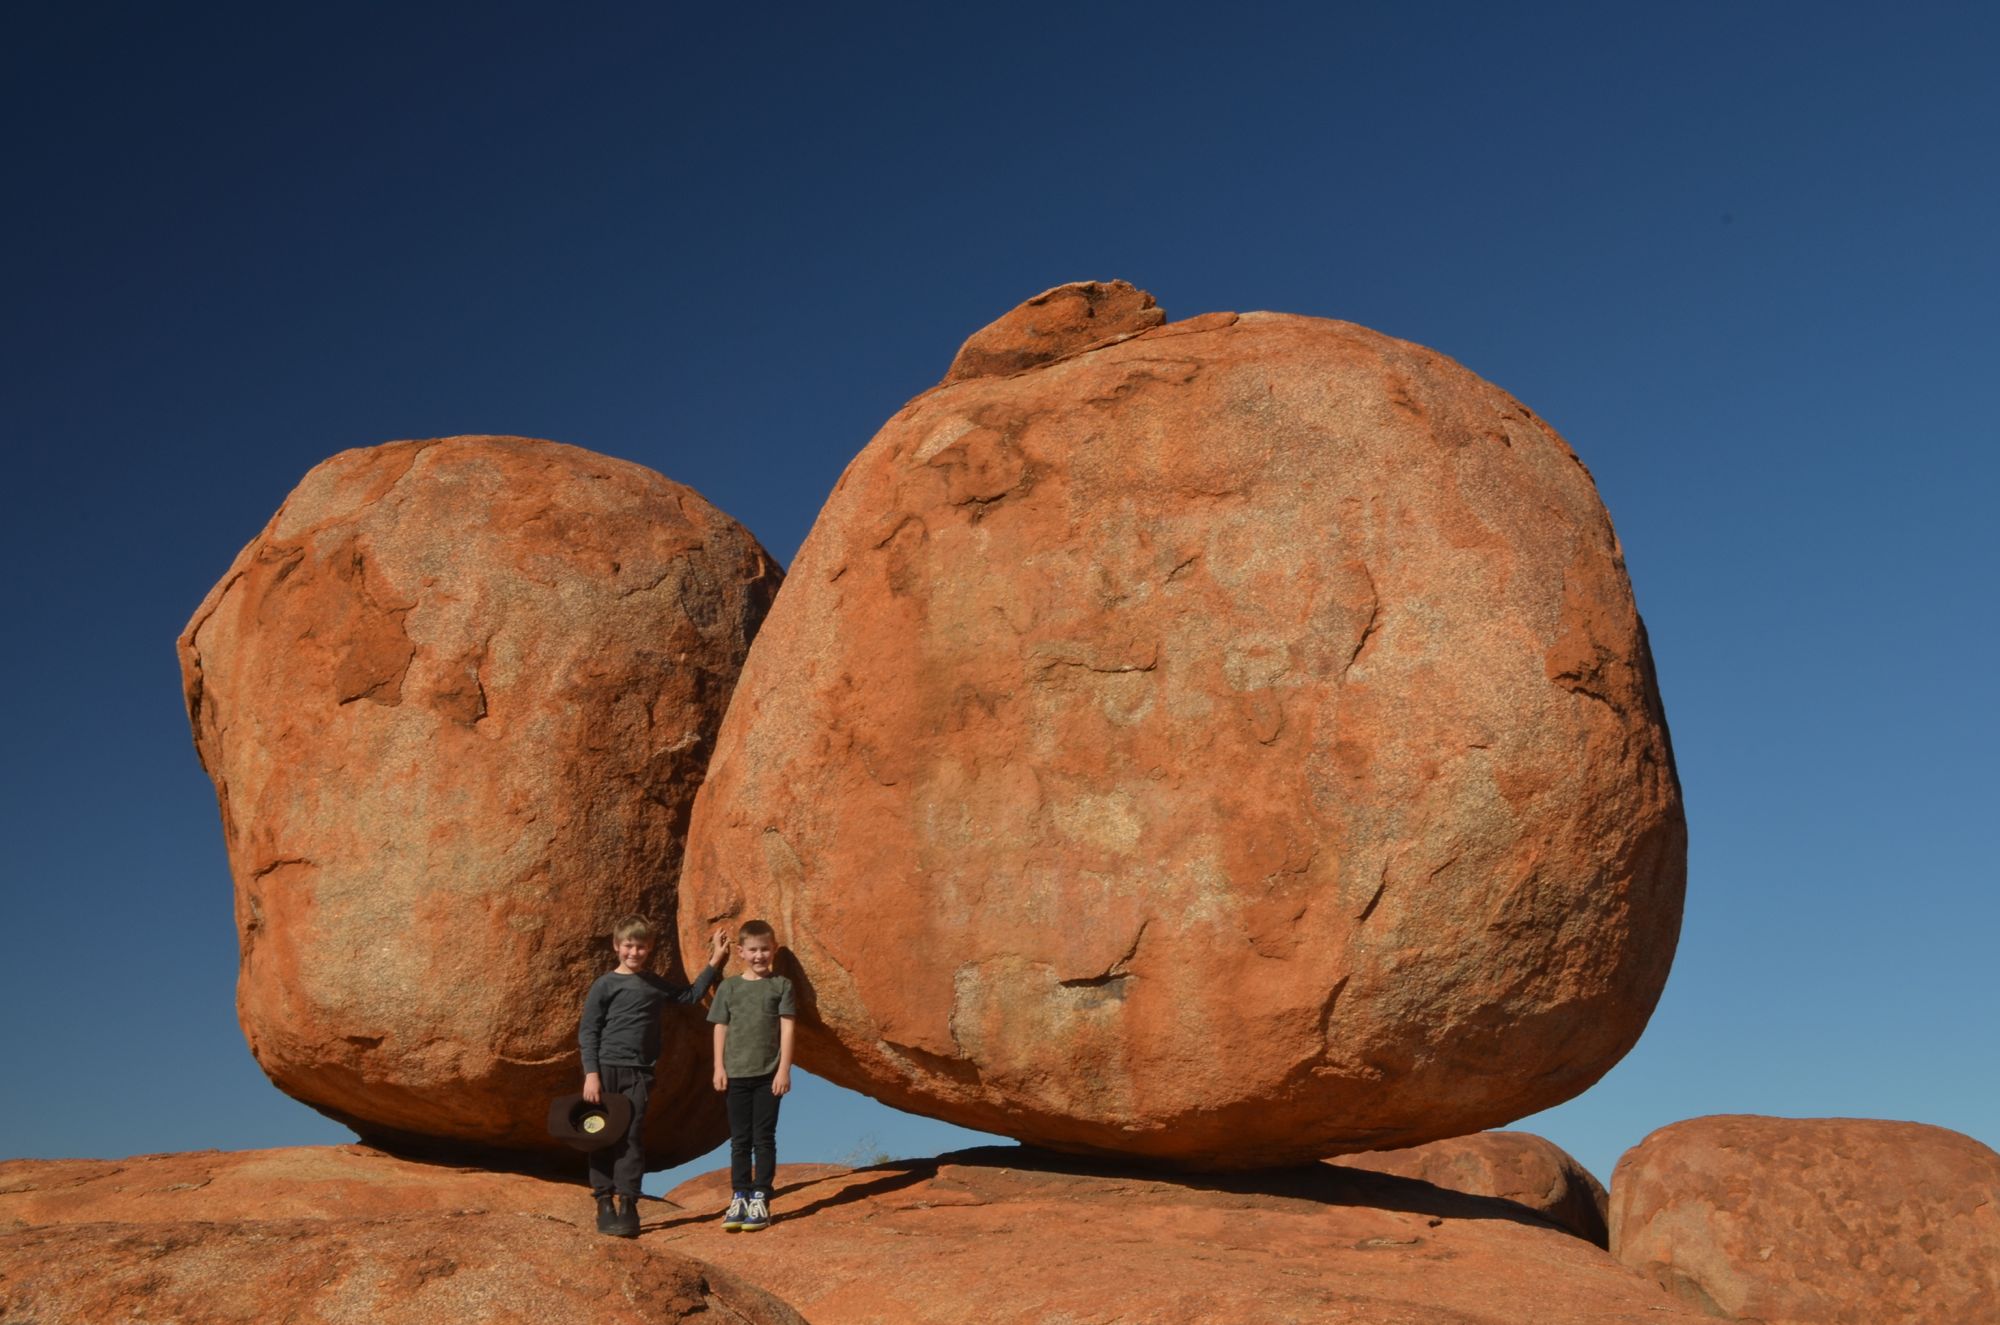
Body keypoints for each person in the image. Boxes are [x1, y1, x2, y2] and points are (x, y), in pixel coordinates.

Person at [578, 916, 730, 1238]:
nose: (634, 952)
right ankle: (604, 1202)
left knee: (631, 1138)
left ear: (649, 948)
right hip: (605, 1070)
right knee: (601, 1136)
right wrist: (591, 1075)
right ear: (617, 946)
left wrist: (715, 960)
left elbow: (689, 997)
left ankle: (628, 1203)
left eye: (641, 946)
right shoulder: (605, 984)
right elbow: (588, 1031)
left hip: (639, 1074)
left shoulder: (652, 983)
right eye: (628, 946)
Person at [708, 918, 796, 1231]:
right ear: (741, 952)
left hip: (768, 1073)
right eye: (753, 950)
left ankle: (761, 1197)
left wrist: (784, 1068)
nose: (759, 955)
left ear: (773, 950)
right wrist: (719, 1067)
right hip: (735, 1074)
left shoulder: (781, 985)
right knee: (740, 1140)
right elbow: (721, 1026)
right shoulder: (730, 987)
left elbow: (787, 1028)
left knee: (764, 1138)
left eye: (765, 949)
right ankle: (740, 1196)